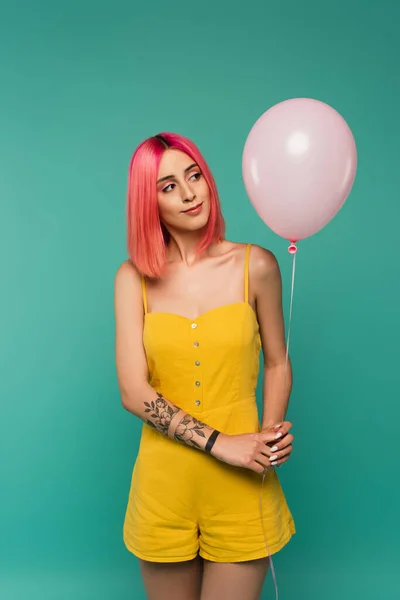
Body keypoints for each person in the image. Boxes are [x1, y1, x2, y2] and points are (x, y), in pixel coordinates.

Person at [114, 132, 296, 600]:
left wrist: (267, 439)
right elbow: (134, 392)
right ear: (147, 202)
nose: (190, 192)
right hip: (163, 485)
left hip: (241, 488)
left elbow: (277, 362)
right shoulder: (132, 278)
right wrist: (222, 445)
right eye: (168, 185)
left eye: (194, 175)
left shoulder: (256, 265)